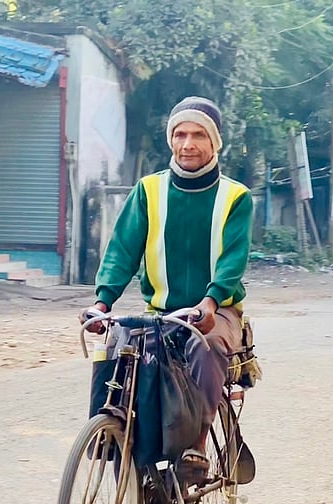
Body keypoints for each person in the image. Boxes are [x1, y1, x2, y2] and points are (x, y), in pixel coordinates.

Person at [82, 96, 253, 482]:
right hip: (160, 311)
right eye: (180, 135)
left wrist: (211, 302)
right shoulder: (149, 191)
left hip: (216, 310)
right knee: (117, 348)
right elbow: (122, 250)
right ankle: (113, 435)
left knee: (206, 347)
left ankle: (196, 447)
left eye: (198, 135)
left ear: (214, 143)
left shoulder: (235, 197)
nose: (187, 144)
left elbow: (233, 259)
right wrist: (102, 302)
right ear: (170, 139)